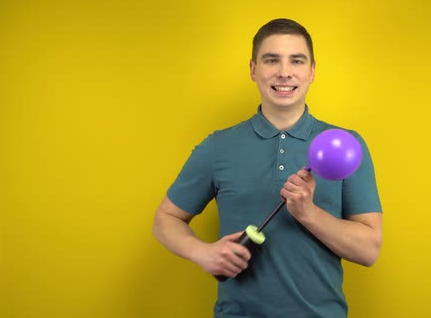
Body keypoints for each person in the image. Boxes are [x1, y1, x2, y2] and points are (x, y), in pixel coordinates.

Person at [152, 18, 382, 318]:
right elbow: (165, 219)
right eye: (271, 60)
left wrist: (308, 214)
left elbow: (368, 251)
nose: (284, 72)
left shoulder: (345, 145)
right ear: (253, 70)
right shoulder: (218, 146)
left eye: (296, 61)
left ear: (312, 71)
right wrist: (203, 252)